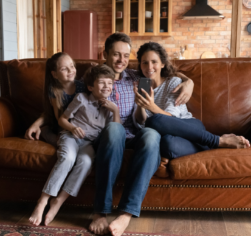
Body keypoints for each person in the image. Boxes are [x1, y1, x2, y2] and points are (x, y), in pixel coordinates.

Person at [88, 33, 195, 236]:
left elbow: (163, 73)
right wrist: (44, 121)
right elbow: (68, 96)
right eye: (116, 55)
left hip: (136, 135)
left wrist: (189, 81)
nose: (121, 60)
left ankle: (126, 213)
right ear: (106, 54)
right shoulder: (96, 77)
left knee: (152, 135)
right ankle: (100, 211)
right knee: (114, 128)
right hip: (111, 138)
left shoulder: (138, 78)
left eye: (126, 56)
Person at [28, 63, 121, 226]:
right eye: (102, 82)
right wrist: (73, 127)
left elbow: (115, 132)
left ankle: (58, 201)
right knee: (68, 158)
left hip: (88, 144)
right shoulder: (81, 98)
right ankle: (42, 201)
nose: (107, 86)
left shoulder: (110, 107)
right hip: (71, 137)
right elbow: (62, 119)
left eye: (110, 83)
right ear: (91, 87)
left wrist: (116, 111)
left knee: (86, 162)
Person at [133, 42, 250, 160]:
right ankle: (208, 146)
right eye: (145, 63)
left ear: (162, 63)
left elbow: (170, 118)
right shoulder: (139, 86)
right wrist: (141, 105)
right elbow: (142, 121)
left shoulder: (173, 82)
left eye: (154, 62)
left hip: (189, 126)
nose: (149, 67)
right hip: (170, 137)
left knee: (154, 121)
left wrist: (151, 107)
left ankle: (218, 140)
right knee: (166, 144)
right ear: (140, 65)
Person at [24, 52, 86, 147]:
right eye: (64, 69)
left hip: (81, 124)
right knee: (63, 144)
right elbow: (58, 118)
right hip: (63, 127)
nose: (70, 70)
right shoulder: (55, 91)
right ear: (55, 74)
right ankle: (45, 132)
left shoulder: (82, 87)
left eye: (72, 66)